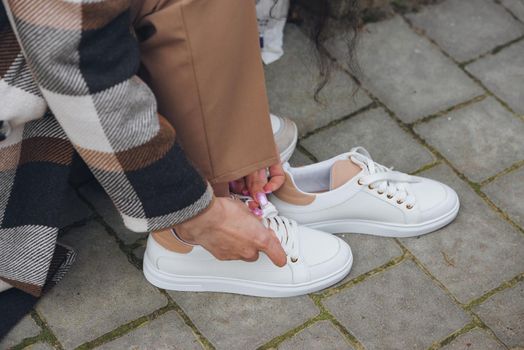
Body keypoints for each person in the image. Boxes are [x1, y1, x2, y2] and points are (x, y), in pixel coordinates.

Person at [1, 0, 459, 334]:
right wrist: (190, 209)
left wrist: (238, 144)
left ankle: (240, 185)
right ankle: (183, 240)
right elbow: (77, 60)